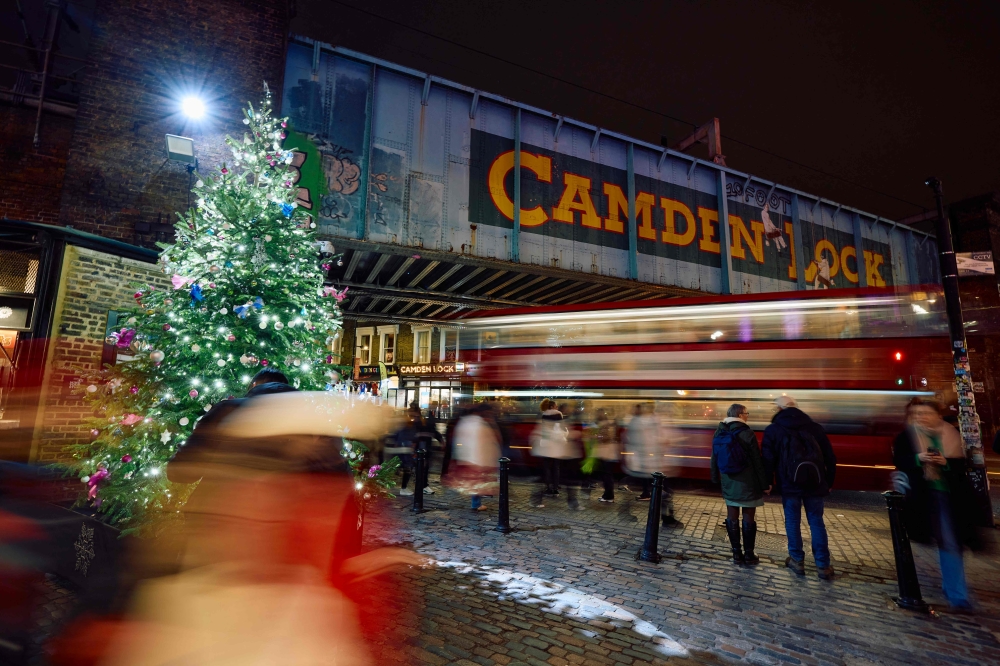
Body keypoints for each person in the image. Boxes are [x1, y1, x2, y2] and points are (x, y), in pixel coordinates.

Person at [893, 398, 977, 611]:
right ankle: (941, 589)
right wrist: (917, 458)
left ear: (937, 415)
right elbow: (900, 461)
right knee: (933, 541)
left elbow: (962, 467)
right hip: (922, 497)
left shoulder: (950, 434)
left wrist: (946, 464)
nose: (920, 417)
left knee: (951, 543)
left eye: (925, 412)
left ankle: (957, 595)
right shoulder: (906, 437)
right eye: (917, 413)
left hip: (949, 497)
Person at [762, 396, 837, 579]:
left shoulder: (774, 429)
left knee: (792, 522)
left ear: (780, 410)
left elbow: (768, 459)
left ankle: (797, 560)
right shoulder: (815, 427)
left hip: (789, 484)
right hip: (815, 483)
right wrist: (829, 482)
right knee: (816, 522)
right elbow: (830, 457)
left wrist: (767, 482)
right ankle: (823, 565)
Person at [711, 404, 770, 565]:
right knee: (749, 516)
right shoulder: (747, 432)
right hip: (748, 481)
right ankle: (749, 554)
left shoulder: (720, 431)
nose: (747, 416)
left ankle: (736, 553)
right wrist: (765, 483)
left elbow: (714, 457)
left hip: (729, 480)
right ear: (740, 415)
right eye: (746, 413)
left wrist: (715, 478)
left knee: (732, 515)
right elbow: (757, 461)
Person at [624, 403, 683, 527]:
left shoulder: (647, 421)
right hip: (646, 464)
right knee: (664, 491)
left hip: (649, 464)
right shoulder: (641, 422)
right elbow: (648, 442)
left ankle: (666, 517)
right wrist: (667, 442)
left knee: (663, 491)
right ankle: (666, 518)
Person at [445, 403, 501, 511]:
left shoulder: (464, 422)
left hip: (466, 457)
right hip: (477, 458)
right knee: (477, 482)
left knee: (474, 481)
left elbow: (458, 440)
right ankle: (476, 503)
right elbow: (487, 443)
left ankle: (476, 502)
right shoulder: (481, 424)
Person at [529, 400, 580, 509]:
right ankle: (555, 489)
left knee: (546, 470)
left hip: (544, 447)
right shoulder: (558, 414)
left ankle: (546, 490)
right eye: (556, 405)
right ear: (552, 406)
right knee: (557, 468)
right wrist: (568, 434)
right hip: (556, 447)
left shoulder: (542, 414)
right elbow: (559, 430)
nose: (557, 407)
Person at [387, 404, 435, 497]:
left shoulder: (414, 422)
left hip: (408, 448)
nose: (414, 417)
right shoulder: (407, 422)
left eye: (415, 415)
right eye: (412, 415)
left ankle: (415, 486)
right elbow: (402, 433)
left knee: (410, 467)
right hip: (405, 448)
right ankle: (404, 488)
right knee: (407, 468)